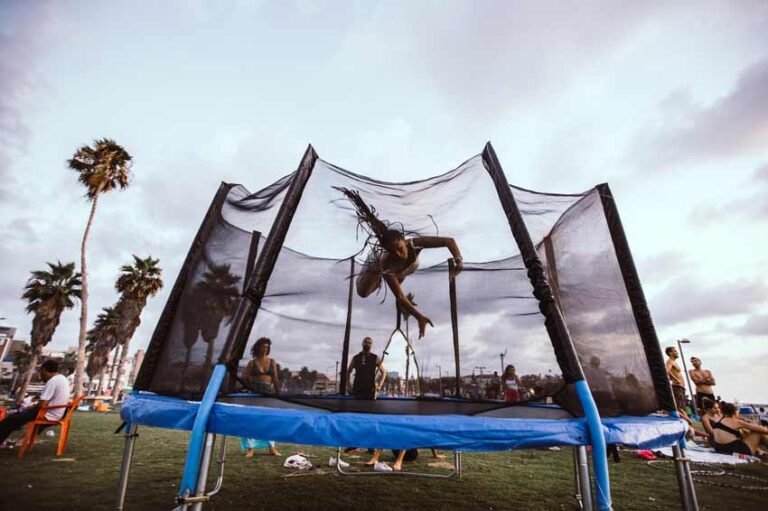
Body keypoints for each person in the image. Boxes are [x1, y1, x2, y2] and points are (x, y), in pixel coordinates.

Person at [336, 187, 463, 338]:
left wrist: (458, 261)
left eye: (399, 248)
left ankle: (392, 280)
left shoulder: (414, 244)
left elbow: (448, 241)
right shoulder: (386, 261)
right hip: (377, 264)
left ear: (403, 240)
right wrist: (419, 317)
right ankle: (380, 277)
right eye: (393, 252)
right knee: (363, 292)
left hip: (402, 271)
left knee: (399, 279)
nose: (397, 254)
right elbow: (400, 297)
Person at [0, 360, 70, 446]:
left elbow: (42, 404)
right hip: (58, 413)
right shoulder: (63, 379)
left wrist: (30, 408)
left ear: (44, 369)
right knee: (16, 418)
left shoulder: (52, 381)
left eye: (41, 372)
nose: (41, 376)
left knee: (10, 419)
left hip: (47, 414)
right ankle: (8, 438)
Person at [241, 337, 281, 457]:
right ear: (258, 347)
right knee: (252, 420)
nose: (265, 349)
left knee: (269, 420)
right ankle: (250, 448)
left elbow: (275, 378)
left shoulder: (272, 362)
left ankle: (272, 447)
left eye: (267, 347)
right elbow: (245, 378)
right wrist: (250, 388)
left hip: (269, 392)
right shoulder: (252, 363)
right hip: (254, 393)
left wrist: (278, 393)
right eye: (263, 346)